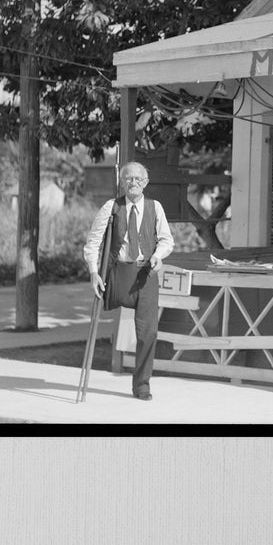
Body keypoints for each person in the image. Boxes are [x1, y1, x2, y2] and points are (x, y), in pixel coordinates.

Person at [83, 162, 175, 401]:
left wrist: (158, 256)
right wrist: (94, 273)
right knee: (97, 318)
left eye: (137, 179)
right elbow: (93, 243)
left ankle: (142, 386)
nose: (132, 182)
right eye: (128, 179)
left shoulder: (156, 207)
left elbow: (167, 241)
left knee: (147, 333)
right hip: (117, 274)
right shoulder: (111, 207)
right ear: (122, 182)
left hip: (145, 275)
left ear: (145, 182)